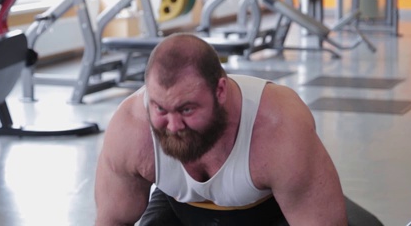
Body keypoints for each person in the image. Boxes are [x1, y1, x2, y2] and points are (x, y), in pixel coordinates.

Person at [94, 33, 380, 226]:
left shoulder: (278, 126)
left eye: (187, 109)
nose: (173, 126)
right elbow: (113, 221)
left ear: (220, 91)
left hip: (274, 213)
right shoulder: (131, 130)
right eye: (160, 109)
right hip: (180, 210)